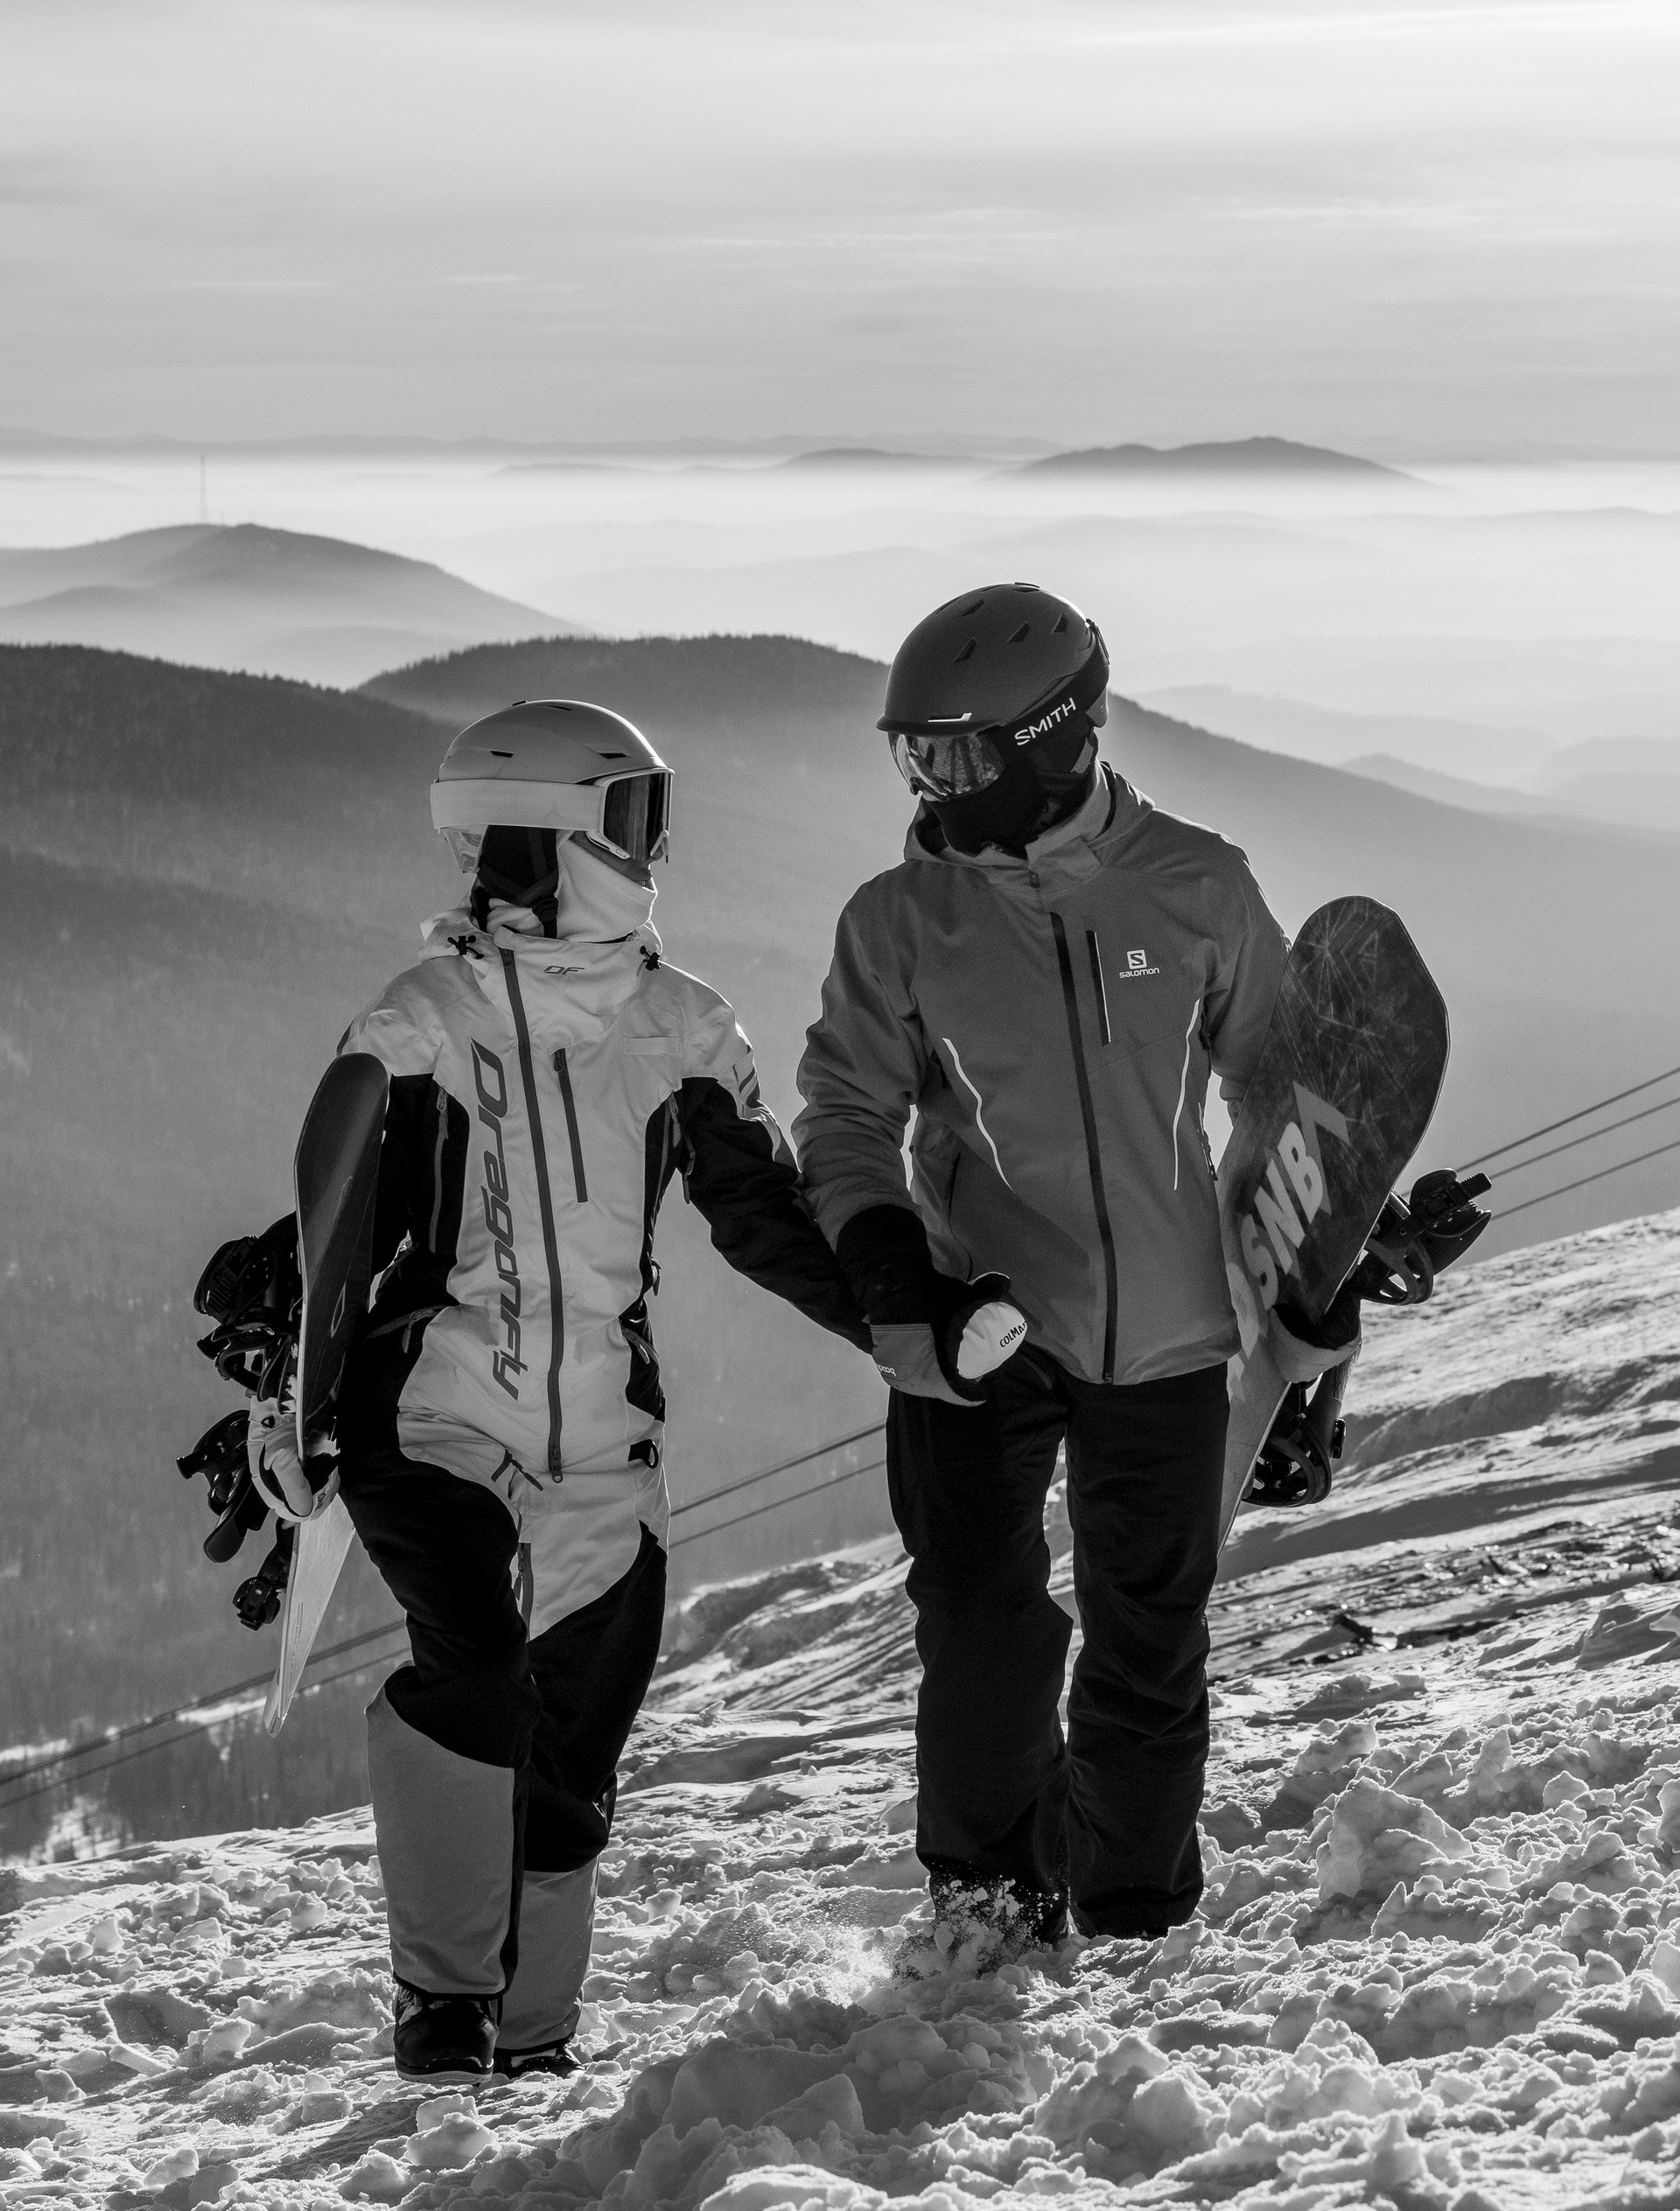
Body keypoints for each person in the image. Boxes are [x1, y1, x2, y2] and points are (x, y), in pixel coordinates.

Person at [256, 698, 875, 2081]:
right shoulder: (420, 1022)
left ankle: (528, 2043)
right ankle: (444, 2006)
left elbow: (765, 1217)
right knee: (475, 1669)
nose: (654, 846)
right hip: (428, 1414)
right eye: (631, 816)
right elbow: (345, 1218)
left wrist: (908, 1332)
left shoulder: (679, 1022)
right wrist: (301, 1401)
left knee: (578, 1739)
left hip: (604, 1429)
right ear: (547, 834)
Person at [794, 584, 1356, 1957]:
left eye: (954, 756)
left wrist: (1339, 1236)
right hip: (975, 1320)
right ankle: (993, 1914)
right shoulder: (901, 919)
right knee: (979, 1622)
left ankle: (1134, 1918)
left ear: (1050, 741)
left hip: (1167, 1323)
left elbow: (1279, 1091)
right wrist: (885, 1257)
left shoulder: (1197, 884)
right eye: (912, 755)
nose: (928, 786)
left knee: (1148, 1636)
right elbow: (846, 1113)